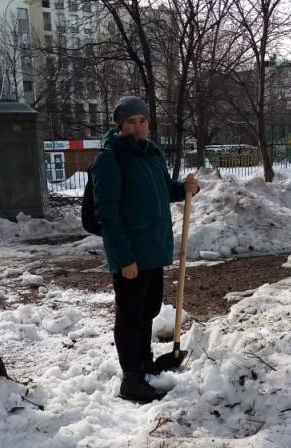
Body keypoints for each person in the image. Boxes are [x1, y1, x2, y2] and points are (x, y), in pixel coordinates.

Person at [92, 96, 200, 404]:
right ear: (121, 126)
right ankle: (132, 378)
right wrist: (124, 257)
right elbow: (107, 213)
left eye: (142, 121)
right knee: (130, 315)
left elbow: (163, 190)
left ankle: (146, 363)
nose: (138, 127)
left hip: (153, 250)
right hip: (130, 254)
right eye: (131, 122)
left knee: (148, 310)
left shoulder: (152, 155)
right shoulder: (111, 158)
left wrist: (185, 189)